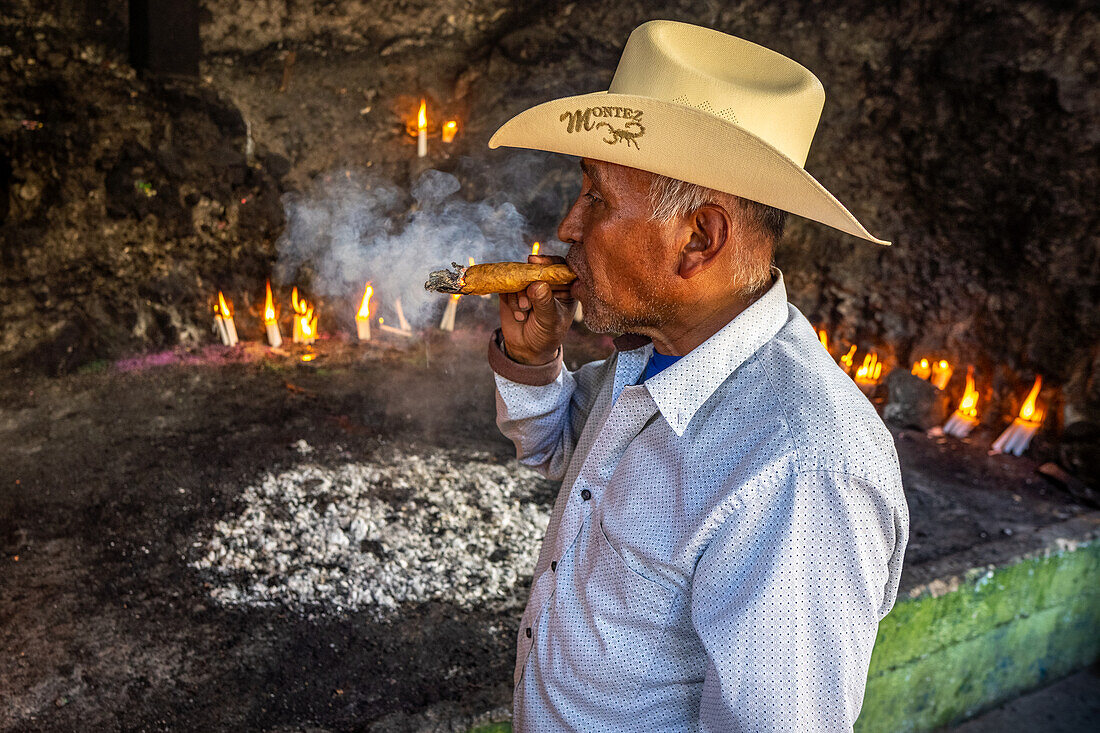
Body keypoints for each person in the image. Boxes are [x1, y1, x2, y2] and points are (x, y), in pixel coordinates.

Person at [486, 20, 908, 732]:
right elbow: (561, 452)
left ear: (698, 239)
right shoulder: (650, 353)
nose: (566, 227)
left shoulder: (801, 470)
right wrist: (531, 361)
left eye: (596, 198)